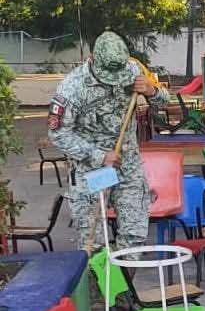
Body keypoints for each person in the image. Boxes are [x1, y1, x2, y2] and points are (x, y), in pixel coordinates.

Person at [48, 31, 169, 252]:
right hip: (93, 172)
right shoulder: (72, 88)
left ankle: (124, 286)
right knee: (93, 242)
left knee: (134, 236)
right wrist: (100, 155)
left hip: (128, 167)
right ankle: (101, 286)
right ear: (92, 58)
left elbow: (163, 101)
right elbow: (58, 134)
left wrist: (152, 92)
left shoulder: (132, 70)